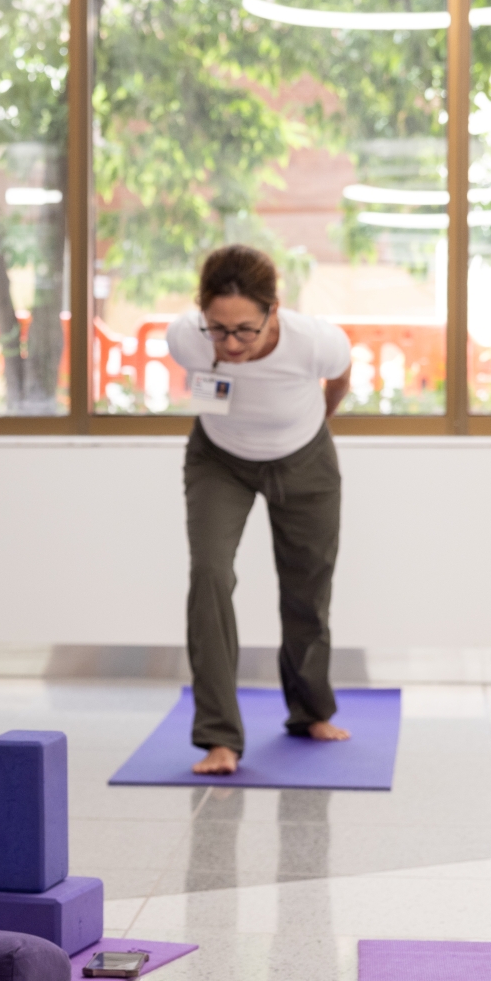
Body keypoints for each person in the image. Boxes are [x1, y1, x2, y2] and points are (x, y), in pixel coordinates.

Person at [166, 244, 353, 776]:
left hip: (304, 459)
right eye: (218, 328)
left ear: (275, 309)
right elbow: (207, 390)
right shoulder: (188, 338)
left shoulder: (313, 342)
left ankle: (311, 711)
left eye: (245, 329)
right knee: (209, 576)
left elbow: (339, 380)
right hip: (219, 461)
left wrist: (313, 426)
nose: (230, 342)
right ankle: (219, 737)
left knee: (307, 587)